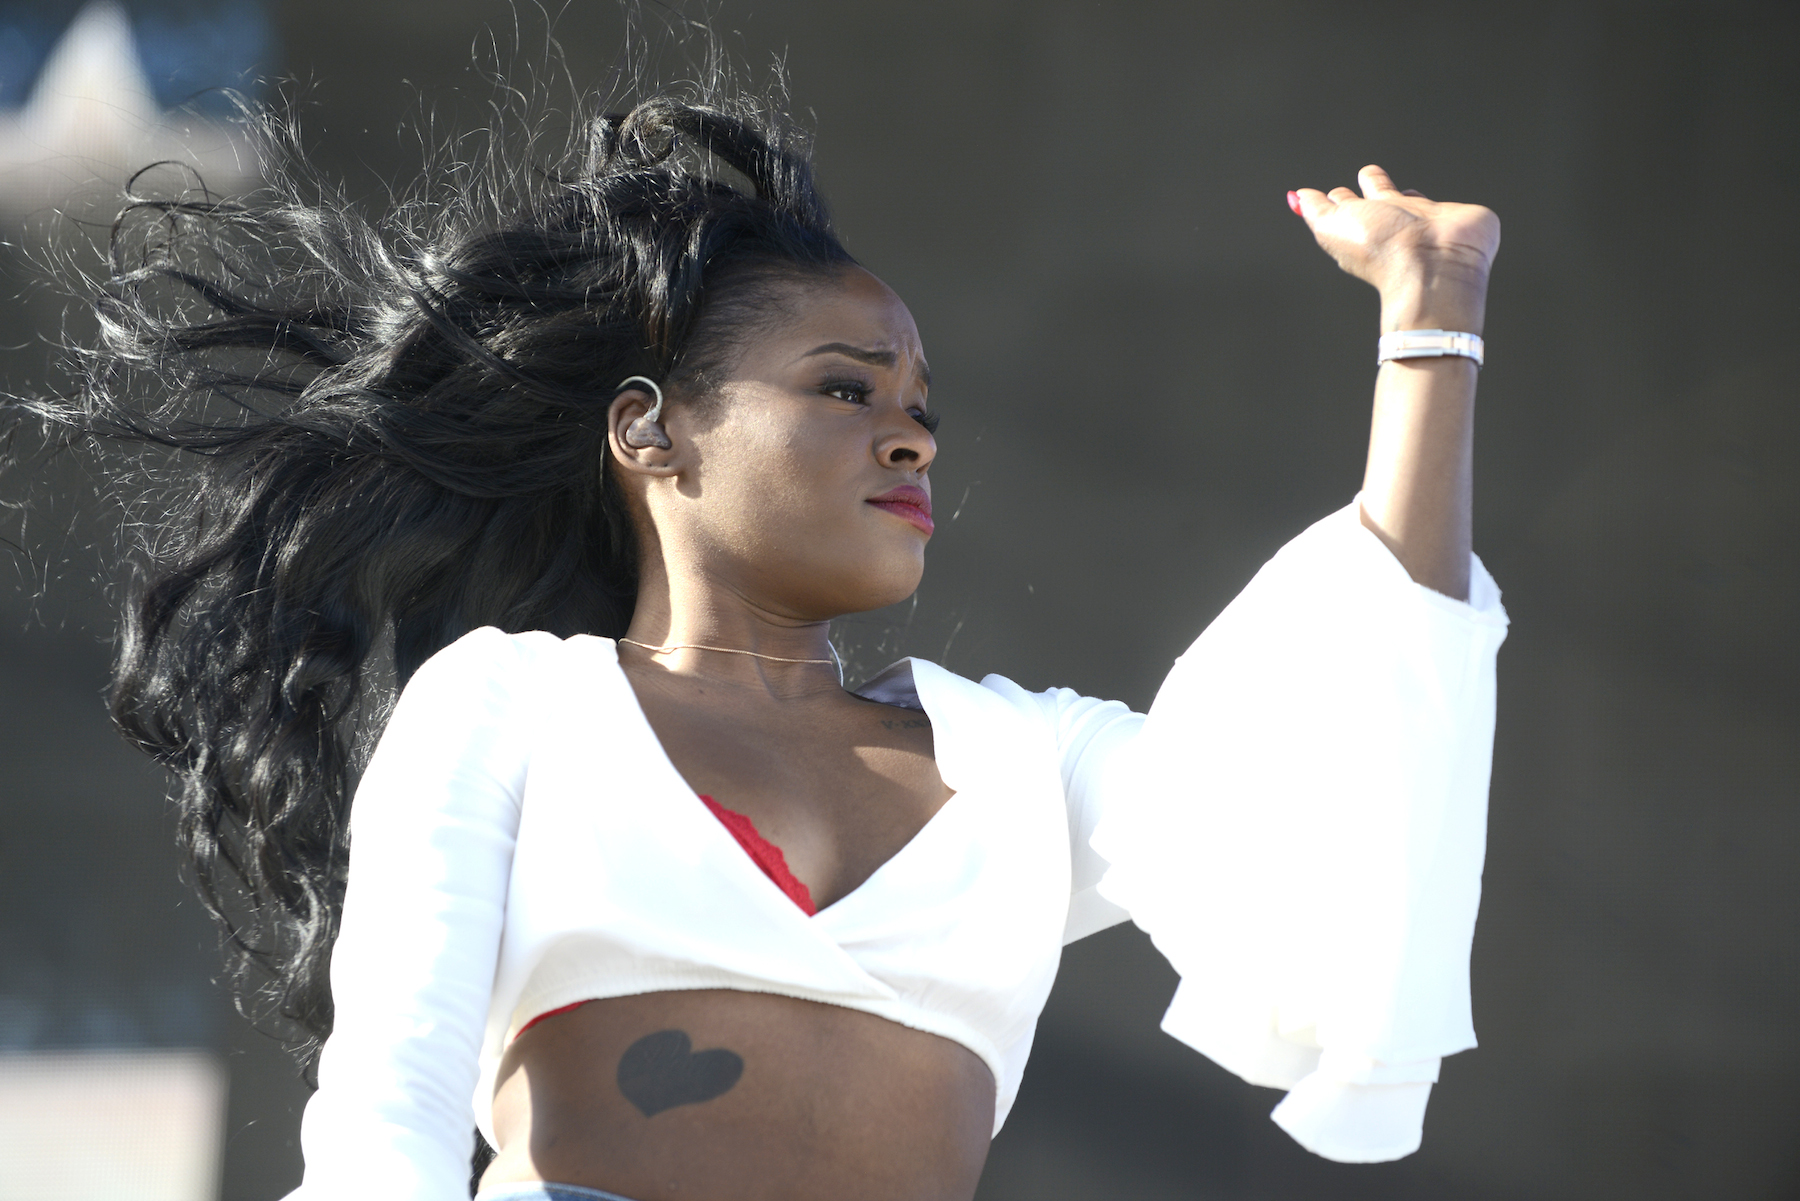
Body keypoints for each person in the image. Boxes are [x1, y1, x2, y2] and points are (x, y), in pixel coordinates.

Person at [28, 74, 1505, 1201]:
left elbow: (1366, 738)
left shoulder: (1028, 762)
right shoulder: (511, 705)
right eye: (846, 390)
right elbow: (385, 1119)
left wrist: (1432, 326)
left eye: (920, 406)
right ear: (649, 432)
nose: (912, 436)